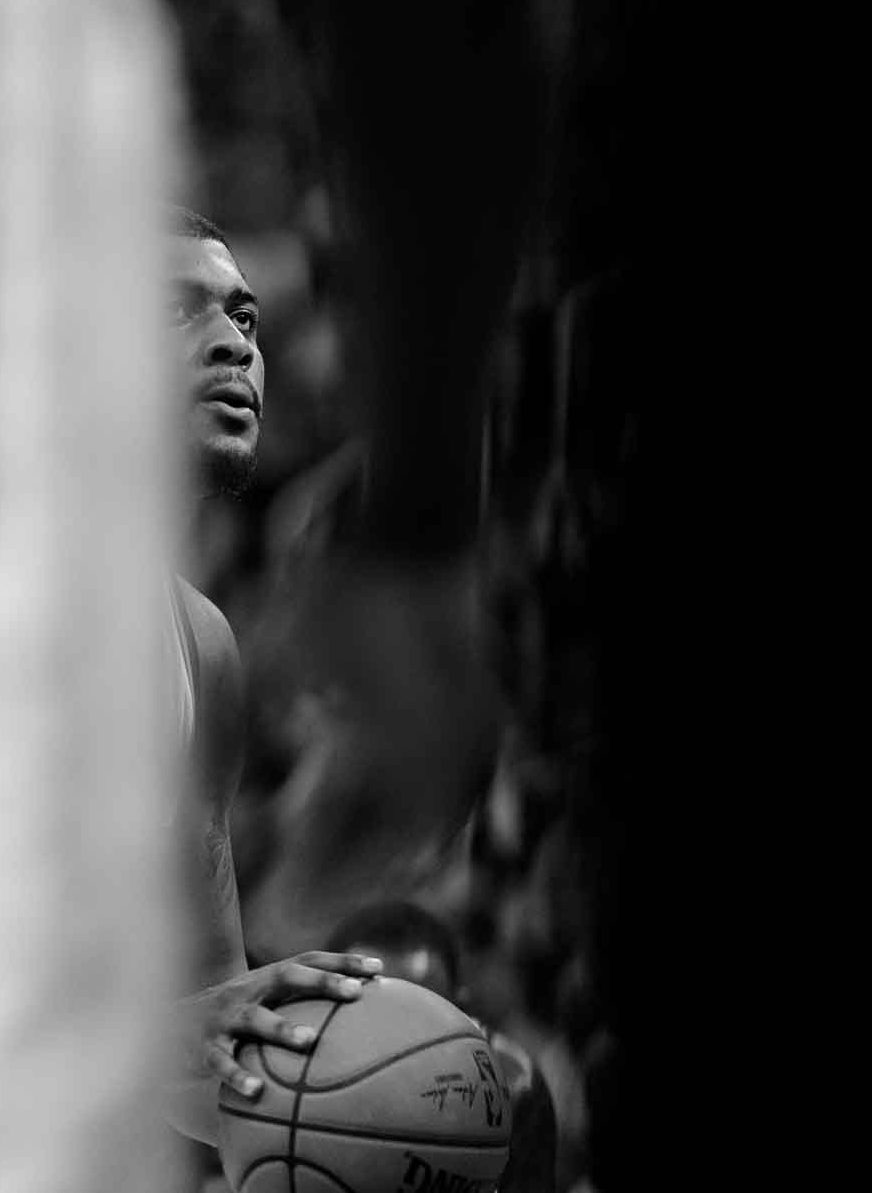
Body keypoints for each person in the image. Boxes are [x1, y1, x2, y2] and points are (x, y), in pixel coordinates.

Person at [157, 206, 384, 1142]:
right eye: (179, 309)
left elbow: (200, 1043)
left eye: (244, 319)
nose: (232, 345)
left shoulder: (201, 644)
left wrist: (363, 1107)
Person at [326, 900, 559, 1193]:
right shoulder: (287, 1061)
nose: (395, 1042)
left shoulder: (511, 1082)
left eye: (420, 1017)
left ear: (461, 1010)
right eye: (373, 1014)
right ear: (326, 1009)